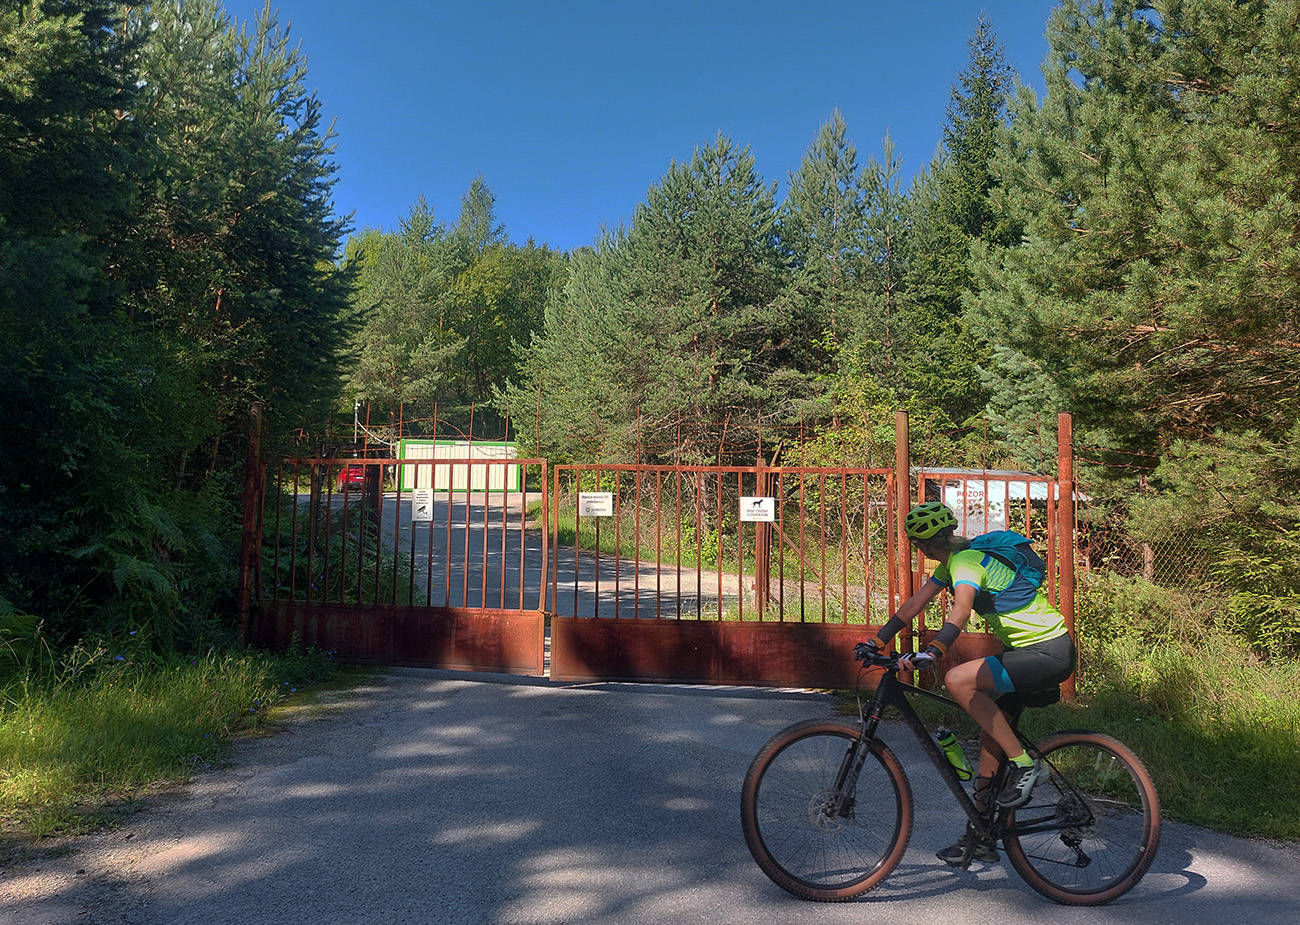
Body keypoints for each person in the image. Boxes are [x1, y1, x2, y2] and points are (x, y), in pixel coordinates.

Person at [860, 501, 1076, 866]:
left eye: (918, 544)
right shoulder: (953, 563)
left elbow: (960, 610)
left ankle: (1027, 766)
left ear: (922, 545)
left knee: (957, 680)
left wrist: (936, 650)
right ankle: (982, 838)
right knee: (991, 742)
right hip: (1029, 651)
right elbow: (914, 604)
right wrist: (876, 641)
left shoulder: (966, 563)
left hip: (1048, 651)